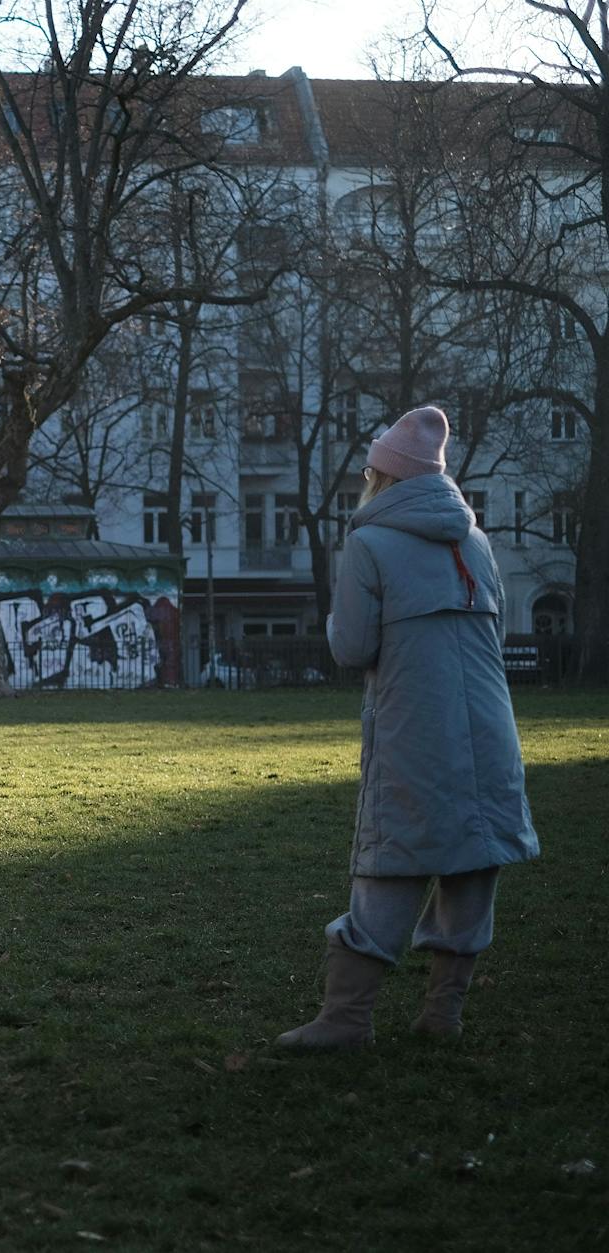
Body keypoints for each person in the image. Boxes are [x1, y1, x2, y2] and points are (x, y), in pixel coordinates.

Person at [276, 406, 539, 1049]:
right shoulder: (476, 543)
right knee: (473, 857)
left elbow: (352, 648)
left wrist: (338, 623)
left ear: (382, 478)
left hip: (416, 725)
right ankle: (442, 1014)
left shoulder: (368, 543)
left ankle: (346, 1020)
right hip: (490, 729)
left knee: (393, 856)